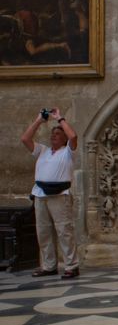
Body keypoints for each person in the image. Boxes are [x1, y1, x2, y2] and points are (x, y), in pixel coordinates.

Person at [20, 108, 80, 279]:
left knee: (64, 231)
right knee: (43, 231)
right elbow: (25, 138)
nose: (54, 136)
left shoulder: (68, 152)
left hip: (60, 194)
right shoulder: (43, 151)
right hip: (40, 194)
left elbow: (74, 136)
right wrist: (39, 120)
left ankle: (72, 265)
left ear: (64, 139)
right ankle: (49, 265)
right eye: (52, 133)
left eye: (58, 134)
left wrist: (60, 119)